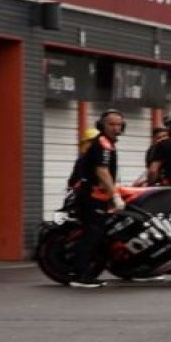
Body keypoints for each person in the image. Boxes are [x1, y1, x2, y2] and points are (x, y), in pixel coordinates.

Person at [66, 108, 126, 288]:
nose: (115, 128)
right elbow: (102, 171)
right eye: (111, 124)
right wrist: (115, 195)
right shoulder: (103, 143)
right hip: (91, 196)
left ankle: (87, 273)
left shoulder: (108, 144)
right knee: (92, 235)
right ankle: (79, 276)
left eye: (119, 125)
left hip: (97, 196)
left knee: (97, 235)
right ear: (102, 125)